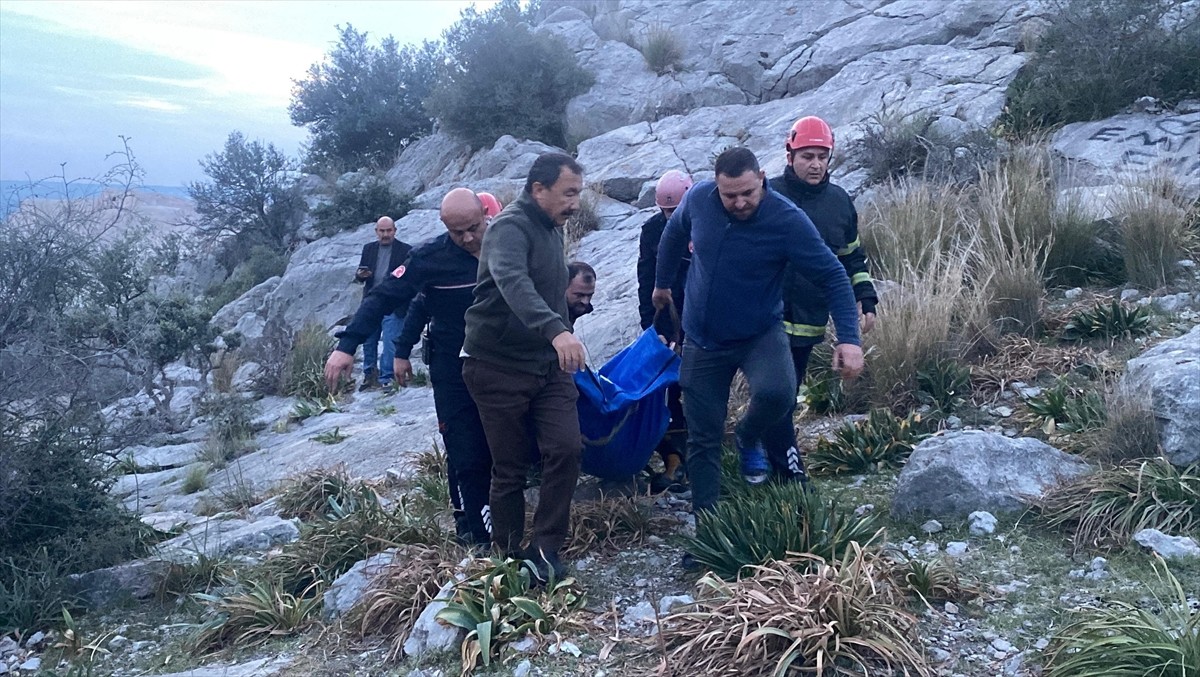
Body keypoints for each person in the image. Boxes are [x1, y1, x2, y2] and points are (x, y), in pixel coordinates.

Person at [652, 147, 863, 514]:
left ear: (761, 179)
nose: (738, 203)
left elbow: (832, 275)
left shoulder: (786, 220)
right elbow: (672, 235)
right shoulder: (700, 199)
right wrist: (662, 284)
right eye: (729, 195)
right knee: (703, 437)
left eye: (747, 193)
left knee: (779, 394)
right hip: (703, 339)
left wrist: (849, 338)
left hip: (759, 334)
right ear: (716, 186)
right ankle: (709, 529)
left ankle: (749, 435)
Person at [324, 189, 492, 546]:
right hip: (453, 367)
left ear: (484, 214)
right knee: (463, 446)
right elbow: (383, 297)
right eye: (456, 232)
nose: (467, 238)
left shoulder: (508, 245)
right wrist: (348, 345)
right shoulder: (428, 259)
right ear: (444, 226)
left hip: (502, 363)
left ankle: (501, 515)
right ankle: (473, 531)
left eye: (473, 228)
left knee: (503, 443)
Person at [461, 152, 586, 582]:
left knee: (566, 449)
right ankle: (509, 558)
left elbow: (551, 292)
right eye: (568, 193)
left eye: (578, 194)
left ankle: (546, 550)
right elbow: (513, 282)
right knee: (510, 467)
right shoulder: (509, 228)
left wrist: (565, 327)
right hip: (496, 367)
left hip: (546, 366)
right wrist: (557, 331)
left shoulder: (552, 228)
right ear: (538, 189)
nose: (575, 203)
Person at [761, 115, 879, 478]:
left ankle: (765, 455)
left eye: (821, 156)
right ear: (790, 154)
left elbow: (851, 256)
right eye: (806, 156)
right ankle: (786, 468)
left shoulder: (840, 202)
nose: (814, 164)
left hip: (810, 319)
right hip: (764, 320)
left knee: (786, 393)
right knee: (778, 393)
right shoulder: (768, 194)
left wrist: (865, 295)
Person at [637, 170, 693, 494]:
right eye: (666, 211)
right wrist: (650, 327)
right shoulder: (652, 231)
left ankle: (692, 457)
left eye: (676, 211)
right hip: (666, 318)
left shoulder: (703, 225)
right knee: (664, 391)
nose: (671, 217)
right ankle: (674, 457)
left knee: (695, 387)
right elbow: (647, 279)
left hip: (698, 317)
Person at [353, 216, 412, 390]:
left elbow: (408, 278)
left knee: (390, 340)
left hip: (394, 304)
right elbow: (360, 274)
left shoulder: (406, 250)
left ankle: (386, 378)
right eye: (382, 231)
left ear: (395, 230)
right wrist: (360, 275)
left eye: (388, 230)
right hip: (371, 302)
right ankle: (369, 375)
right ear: (376, 231)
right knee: (368, 340)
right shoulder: (368, 249)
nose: (385, 234)